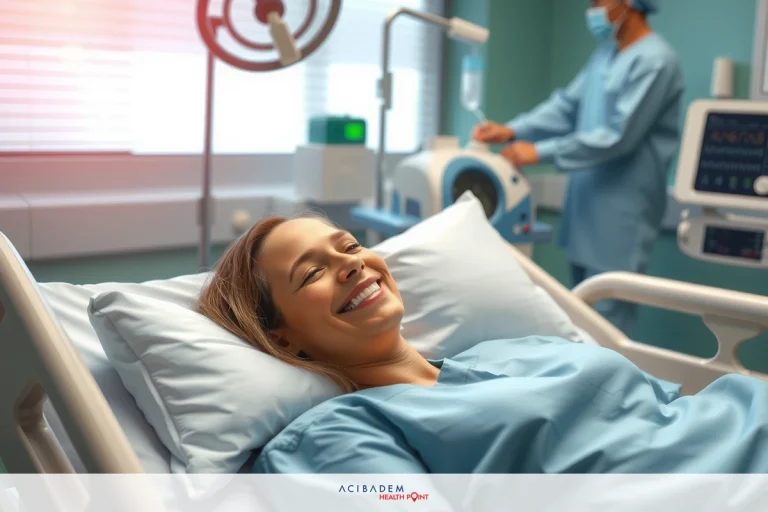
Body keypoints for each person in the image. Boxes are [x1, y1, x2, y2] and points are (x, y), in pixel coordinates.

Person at [197, 215, 768, 474]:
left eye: (347, 246)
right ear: (283, 340)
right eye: (311, 273)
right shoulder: (332, 439)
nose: (349, 265)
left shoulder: (506, 351)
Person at [472, 0, 684, 338]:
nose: (592, 8)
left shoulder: (656, 61)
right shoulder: (605, 56)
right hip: (586, 209)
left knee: (609, 330)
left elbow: (617, 136)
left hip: (622, 217)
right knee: (581, 322)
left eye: (598, 1)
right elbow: (565, 107)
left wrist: (537, 151)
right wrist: (513, 130)